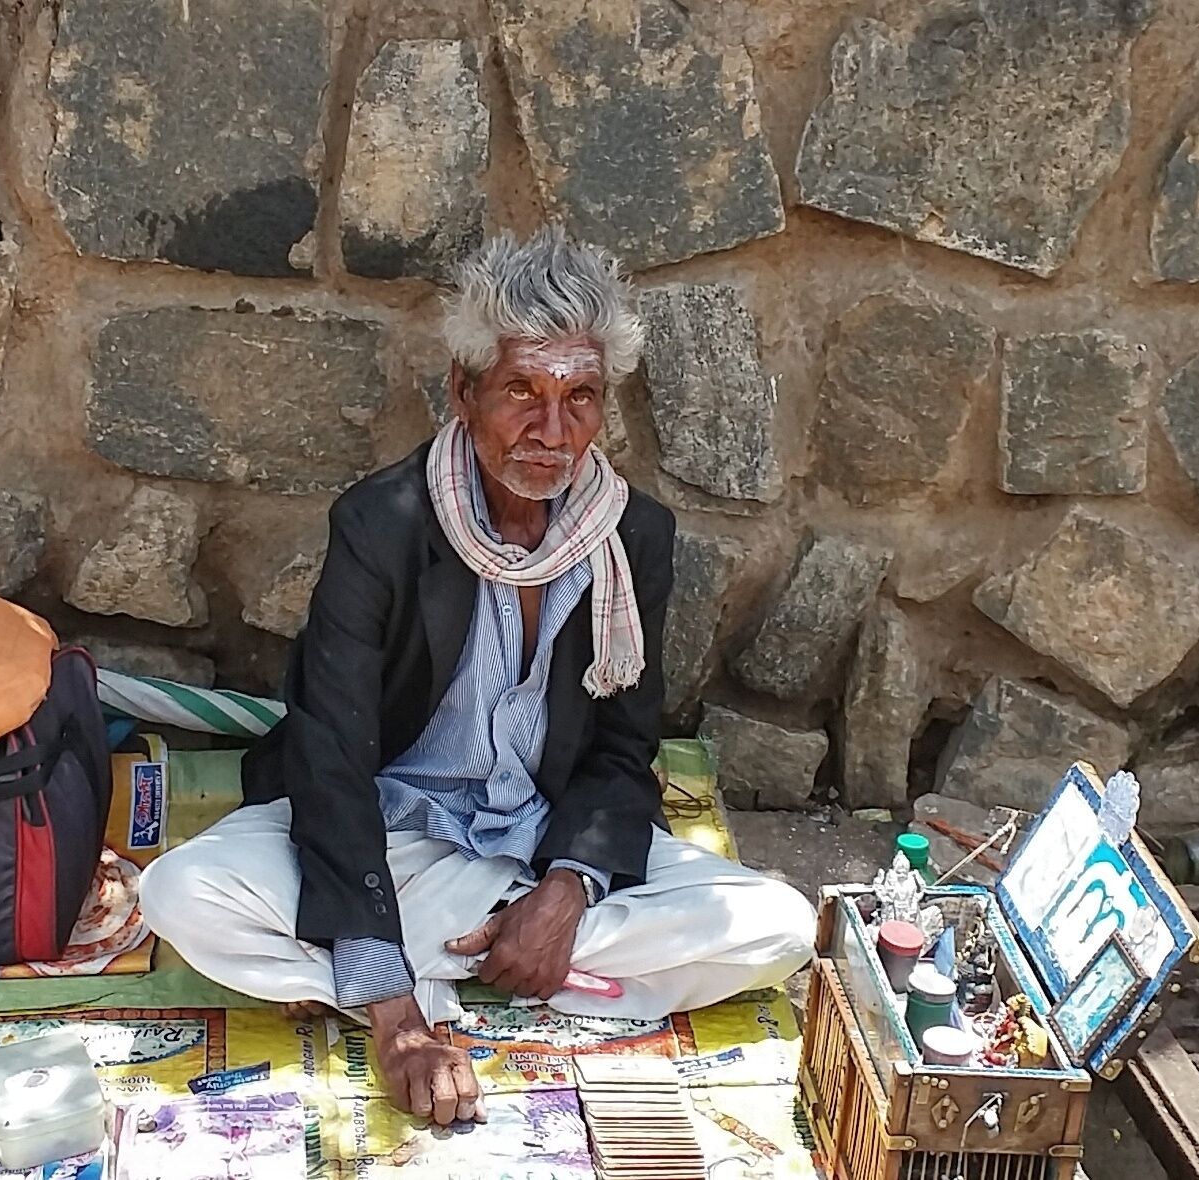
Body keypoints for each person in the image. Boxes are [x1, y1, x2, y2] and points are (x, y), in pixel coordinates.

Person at [142, 226, 816, 1127]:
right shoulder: (382, 525)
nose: (552, 432)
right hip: (390, 835)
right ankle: (450, 971)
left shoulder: (633, 537)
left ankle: (429, 955)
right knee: (180, 895)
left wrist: (566, 891)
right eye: (522, 392)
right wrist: (396, 1027)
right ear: (464, 392)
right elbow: (330, 755)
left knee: (780, 927)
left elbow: (624, 750)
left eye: (579, 397)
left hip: (536, 837)